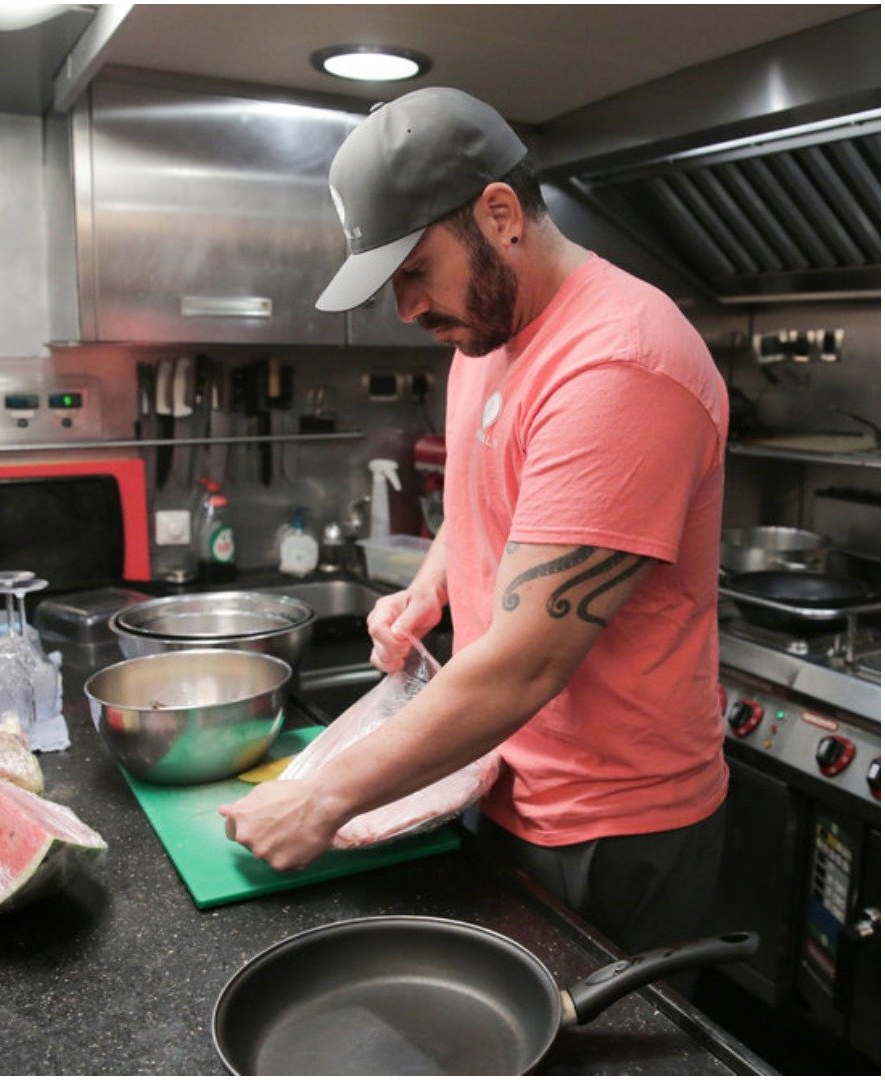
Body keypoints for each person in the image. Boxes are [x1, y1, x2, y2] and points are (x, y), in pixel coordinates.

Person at [223, 87, 728, 953]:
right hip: (500, 774)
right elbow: (489, 500)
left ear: (500, 214)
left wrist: (323, 795)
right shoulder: (486, 338)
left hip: (610, 820)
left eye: (414, 271)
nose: (407, 309)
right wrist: (430, 588)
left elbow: (525, 662)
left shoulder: (618, 364)